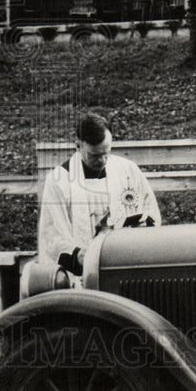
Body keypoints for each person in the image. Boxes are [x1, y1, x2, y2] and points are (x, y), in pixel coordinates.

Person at [38, 113, 160, 276]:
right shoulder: (59, 181)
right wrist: (81, 257)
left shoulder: (128, 171)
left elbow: (150, 211)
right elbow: (53, 237)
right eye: (94, 155)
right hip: (82, 273)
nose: (102, 160)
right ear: (78, 145)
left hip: (126, 266)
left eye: (106, 153)